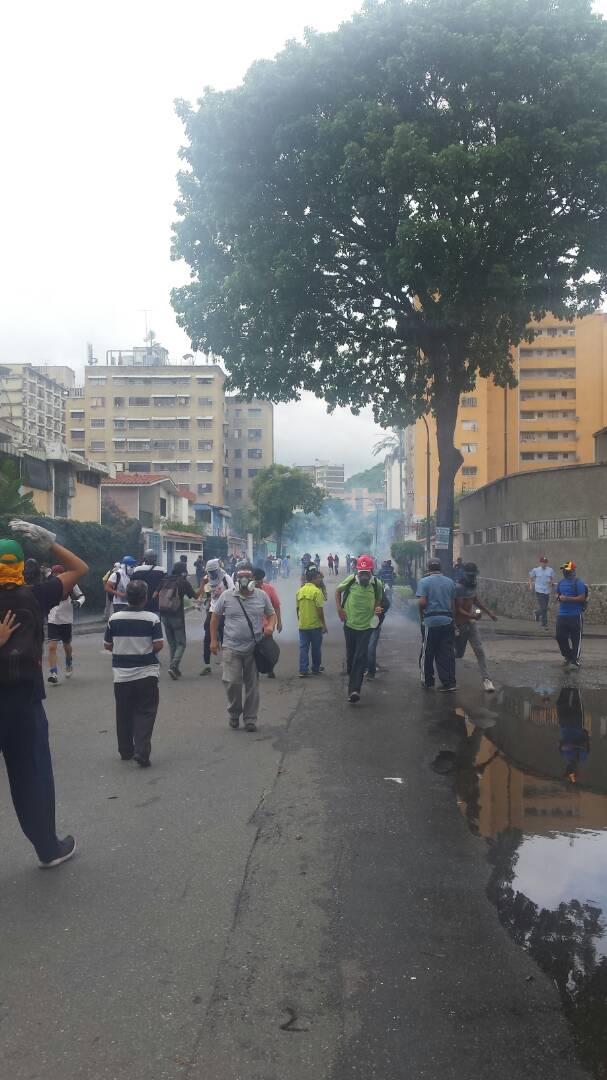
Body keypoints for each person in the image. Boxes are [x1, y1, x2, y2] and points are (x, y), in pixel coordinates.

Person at [0, 519, 88, 867]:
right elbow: (79, 568)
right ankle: (48, 849)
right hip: (23, 703)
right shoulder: (35, 596)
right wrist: (49, 542)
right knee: (31, 775)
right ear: (22, 565)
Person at [210, 561, 276, 732]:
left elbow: (271, 614)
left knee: (252, 686)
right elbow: (215, 618)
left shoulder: (262, 596)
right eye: (241, 578)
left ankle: (250, 719)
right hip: (231, 647)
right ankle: (234, 713)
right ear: (236, 579)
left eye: (247, 578)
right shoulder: (226, 596)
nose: (244, 581)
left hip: (254, 648)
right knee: (231, 682)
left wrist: (270, 626)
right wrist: (213, 640)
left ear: (253, 579)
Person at [104, 580, 163, 767]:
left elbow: (107, 645)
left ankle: (125, 750)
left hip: (121, 675)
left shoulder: (114, 619)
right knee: (146, 711)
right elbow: (158, 644)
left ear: (127, 597)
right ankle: (142, 751)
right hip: (146, 673)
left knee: (123, 712)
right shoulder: (152, 618)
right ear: (145, 598)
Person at [336, 555, 387, 704]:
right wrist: (339, 609)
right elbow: (338, 591)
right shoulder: (351, 580)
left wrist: (377, 608)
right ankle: (353, 679)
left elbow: (378, 599)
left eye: (366, 572)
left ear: (371, 571)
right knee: (351, 657)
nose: (364, 575)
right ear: (357, 571)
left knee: (360, 656)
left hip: (366, 627)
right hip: (350, 624)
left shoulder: (377, 583)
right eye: (361, 572)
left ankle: (354, 690)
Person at [454, 562, 497, 692]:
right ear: (464, 574)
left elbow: (475, 600)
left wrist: (489, 612)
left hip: (471, 624)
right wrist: (472, 615)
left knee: (479, 650)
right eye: (470, 575)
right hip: (460, 624)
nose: (472, 577)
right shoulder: (458, 588)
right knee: (459, 654)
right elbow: (457, 609)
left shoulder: (473, 584)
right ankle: (443, 662)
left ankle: (487, 680)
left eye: (474, 575)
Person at [416, 557, 457, 691]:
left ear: (428, 569)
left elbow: (422, 602)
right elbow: (453, 604)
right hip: (447, 621)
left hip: (431, 621)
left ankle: (428, 681)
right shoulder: (450, 582)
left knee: (428, 652)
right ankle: (449, 682)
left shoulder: (424, 581)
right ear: (441, 568)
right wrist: (453, 621)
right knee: (446, 652)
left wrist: (421, 616)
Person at [158, 562, 201, 679]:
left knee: (172, 644)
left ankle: (174, 669)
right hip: (176, 616)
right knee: (181, 643)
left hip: (164, 615)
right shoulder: (183, 582)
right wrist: (203, 584)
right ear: (184, 571)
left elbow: (155, 595)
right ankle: (173, 666)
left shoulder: (164, 579)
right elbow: (196, 596)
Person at [46, 564, 85, 684]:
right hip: (52, 619)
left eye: (59, 574)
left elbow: (81, 596)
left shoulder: (71, 583)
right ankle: (53, 673)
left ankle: (69, 662)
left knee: (67, 646)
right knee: (52, 646)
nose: (57, 577)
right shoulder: (48, 584)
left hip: (66, 619)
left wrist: (78, 602)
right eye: (54, 574)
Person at [199, 558, 233, 675]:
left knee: (225, 638)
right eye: (210, 572)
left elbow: (233, 593)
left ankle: (226, 663)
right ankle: (207, 664)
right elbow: (205, 592)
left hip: (225, 611)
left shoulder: (226, 578)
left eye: (214, 571)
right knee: (207, 637)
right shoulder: (207, 578)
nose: (212, 574)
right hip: (213, 610)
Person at [555, 561, 587, 668]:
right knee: (559, 637)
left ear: (573, 571)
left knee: (575, 639)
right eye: (564, 570)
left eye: (567, 570)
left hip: (575, 615)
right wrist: (559, 597)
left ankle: (575, 660)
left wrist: (567, 598)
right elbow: (557, 594)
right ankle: (568, 656)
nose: (565, 572)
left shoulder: (578, 583)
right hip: (562, 615)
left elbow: (582, 597)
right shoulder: (560, 583)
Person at [297, 565, 327, 676]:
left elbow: (297, 609)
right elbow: (320, 610)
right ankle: (315, 668)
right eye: (319, 578)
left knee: (303, 648)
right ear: (314, 579)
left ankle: (303, 670)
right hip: (315, 625)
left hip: (302, 626)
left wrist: (300, 621)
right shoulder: (317, 592)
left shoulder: (300, 591)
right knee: (316, 648)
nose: (320, 580)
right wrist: (323, 624)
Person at [253, 567, 282, 677]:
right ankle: (253, 671)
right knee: (252, 650)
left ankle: (270, 669)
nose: (260, 583)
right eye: (257, 581)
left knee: (268, 649)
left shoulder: (269, 589)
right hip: (251, 627)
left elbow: (277, 607)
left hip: (266, 626)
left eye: (261, 580)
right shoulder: (245, 591)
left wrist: (279, 622)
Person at [131, 549, 165, 614]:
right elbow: (164, 585)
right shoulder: (162, 570)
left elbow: (132, 585)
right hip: (156, 603)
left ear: (145, 558)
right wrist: (157, 591)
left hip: (140, 603)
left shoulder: (137, 570)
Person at [528, 555, 555, 629]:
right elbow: (530, 578)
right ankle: (544, 623)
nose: (544, 564)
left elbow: (552, 579)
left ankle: (537, 613)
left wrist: (551, 583)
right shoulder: (535, 570)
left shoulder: (550, 570)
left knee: (545, 607)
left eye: (545, 562)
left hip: (547, 590)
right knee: (544, 607)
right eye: (543, 562)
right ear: (540, 563)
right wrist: (530, 585)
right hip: (539, 590)